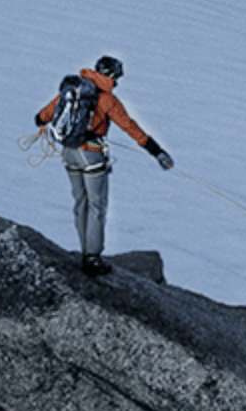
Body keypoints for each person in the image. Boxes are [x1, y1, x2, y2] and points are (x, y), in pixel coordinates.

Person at [34, 56, 173, 275]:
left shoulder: (75, 88)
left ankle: (85, 251)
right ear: (109, 74)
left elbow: (44, 115)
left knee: (80, 204)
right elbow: (130, 127)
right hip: (92, 155)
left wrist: (43, 122)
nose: (117, 81)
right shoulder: (108, 100)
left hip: (69, 153)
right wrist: (157, 152)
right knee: (97, 206)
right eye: (116, 76)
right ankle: (92, 258)